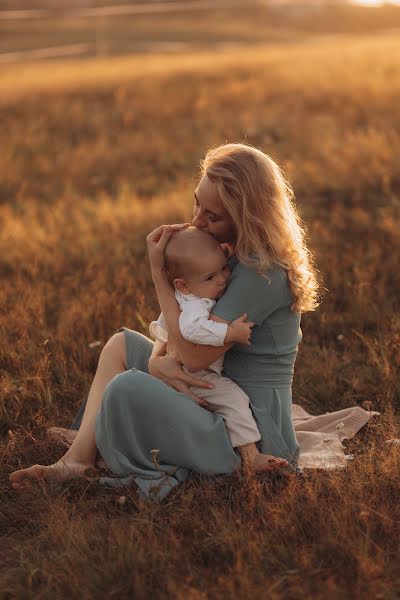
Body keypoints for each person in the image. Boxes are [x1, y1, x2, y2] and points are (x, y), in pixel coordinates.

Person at [10, 143, 319, 500]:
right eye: (197, 203)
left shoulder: (259, 274)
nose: (198, 220)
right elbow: (185, 330)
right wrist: (157, 360)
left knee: (125, 386)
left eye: (213, 216)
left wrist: (160, 274)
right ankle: (80, 455)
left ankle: (98, 444)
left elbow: (192, 356)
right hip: (210, 390)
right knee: (121, 345)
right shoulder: (229, 253)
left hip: (246, 428)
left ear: (246, 216)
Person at [150, 225, 289, 471]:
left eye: (224, 267)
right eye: (211, 277)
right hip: (196, 374)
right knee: (234, 399)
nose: (223, 279)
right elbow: (192, 331)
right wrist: (230, 333)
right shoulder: (195, 306)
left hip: (182, 366)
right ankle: (250, 456)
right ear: (182, 285)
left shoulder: (190, 290)